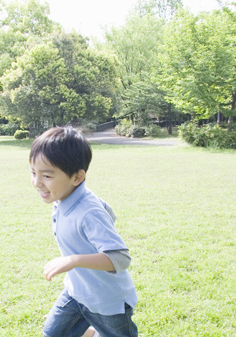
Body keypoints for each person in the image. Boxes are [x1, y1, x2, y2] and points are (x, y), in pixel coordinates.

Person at [29, 126, 138, 337]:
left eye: (47, 176)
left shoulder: (89, 210)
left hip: (108, 302)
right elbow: (108, 211)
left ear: (77, 178)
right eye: (33, 172)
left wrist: (73, 260)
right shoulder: (65, 197)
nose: (37, 182)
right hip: (76, 292)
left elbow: (120, 258)